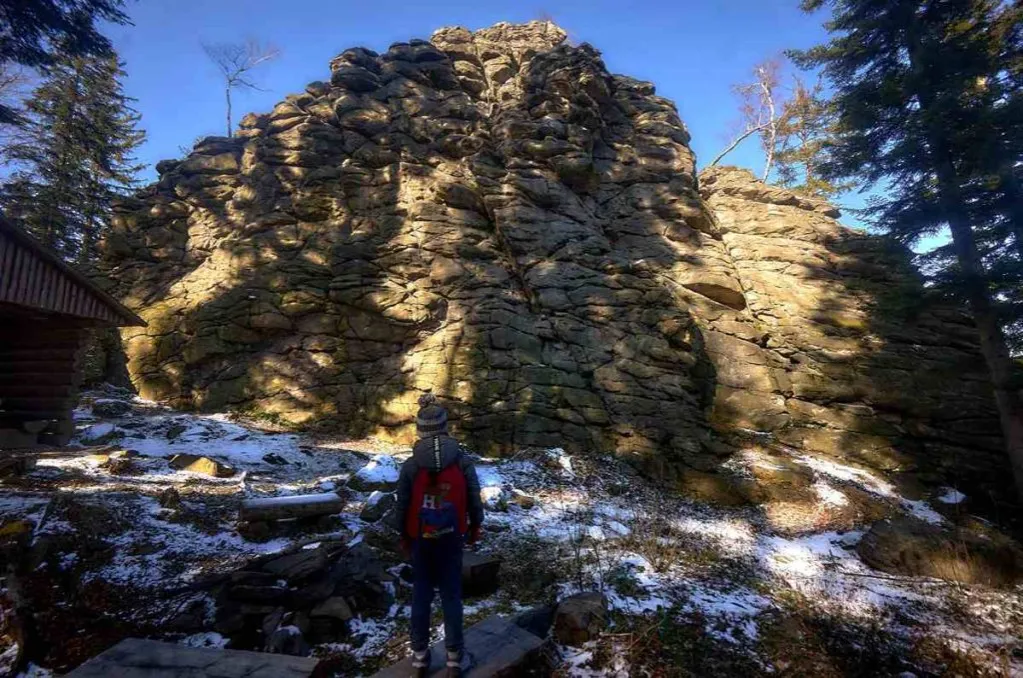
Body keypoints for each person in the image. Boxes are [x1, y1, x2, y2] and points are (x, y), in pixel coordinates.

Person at [393, 393, 484, 678]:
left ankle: (420, 658)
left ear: (419, 429)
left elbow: (402, 504)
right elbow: (473, 497)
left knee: (421, 594)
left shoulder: (410, 466)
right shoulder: (461, 461)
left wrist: (403, 536)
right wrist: (475, 526)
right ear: (445, 428)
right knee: (451, 596)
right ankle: (455, 660)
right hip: (450, 536)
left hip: (420, 538)